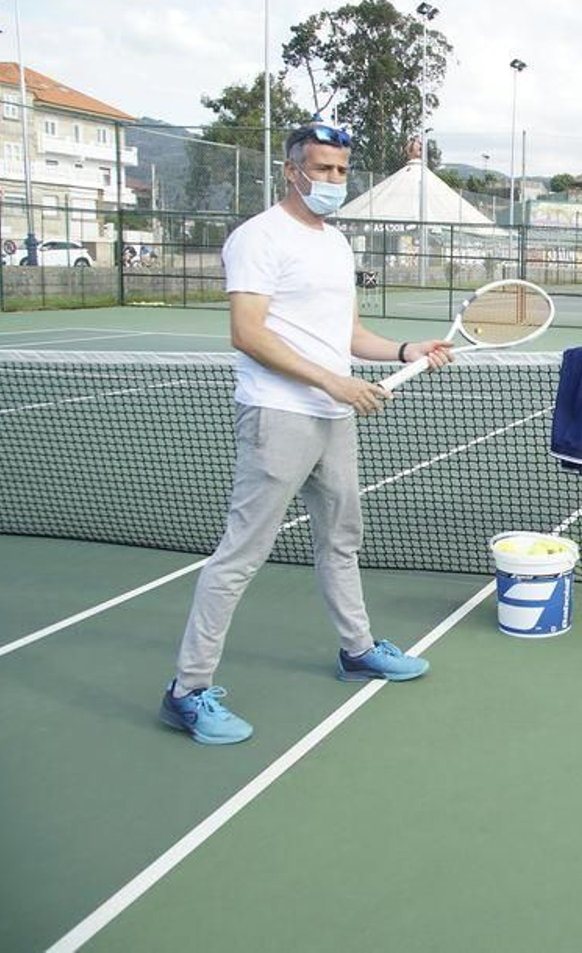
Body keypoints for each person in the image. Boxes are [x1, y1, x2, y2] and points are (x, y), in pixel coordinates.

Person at [158, 123, 452, 746]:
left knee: (341, 540)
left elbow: (348, 336)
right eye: (321, 170)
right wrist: (333, 384)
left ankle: (357, 650)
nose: (333, 182)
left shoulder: (337, 245)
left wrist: (406, 347)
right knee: (241, 555)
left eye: (342, 171)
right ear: (291, 171)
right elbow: (249, 333)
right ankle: (187, 691)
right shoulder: (257, 238)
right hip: (279, 414)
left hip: (333, 418)